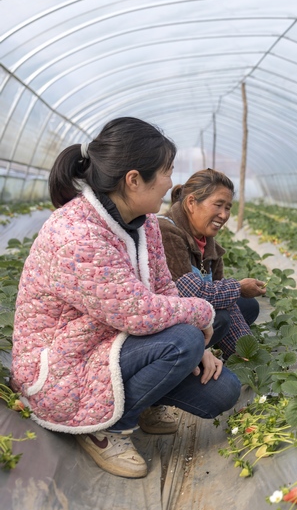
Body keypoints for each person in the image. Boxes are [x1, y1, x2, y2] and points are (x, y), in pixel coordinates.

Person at [11, 117, 241, 479]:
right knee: (184, 339)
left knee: (222, 391)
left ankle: (138, 401)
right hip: (64, 368)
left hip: (114, 344)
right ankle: (107, 430)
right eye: (165, 172)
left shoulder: (144, 222)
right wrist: (201, 315)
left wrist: (203, 346)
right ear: (134, 180)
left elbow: (164, 288)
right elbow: (139, 313)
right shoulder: (77, 234)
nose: (170, 183)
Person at [158, 168, 266, 361]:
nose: (224, 215)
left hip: (196, 313)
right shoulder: (167, 231)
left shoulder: (208, 242)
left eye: (228, 208)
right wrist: (238, 287)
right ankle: (194, 356)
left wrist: (248, 355)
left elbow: (224, 297)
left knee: (248, 306)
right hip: (168, 325)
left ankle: (226, 350)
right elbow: (194, 294)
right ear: (191, 202)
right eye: (218, 205)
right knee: (220, 316)